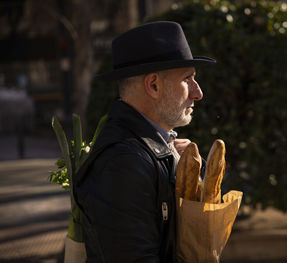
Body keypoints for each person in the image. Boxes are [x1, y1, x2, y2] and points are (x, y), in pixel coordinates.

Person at [73, 21, 215, 262]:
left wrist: (188, 172)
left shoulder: (153, 150)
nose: (197, 92)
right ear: (153, 85)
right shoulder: (123, 162)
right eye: (187, 79)